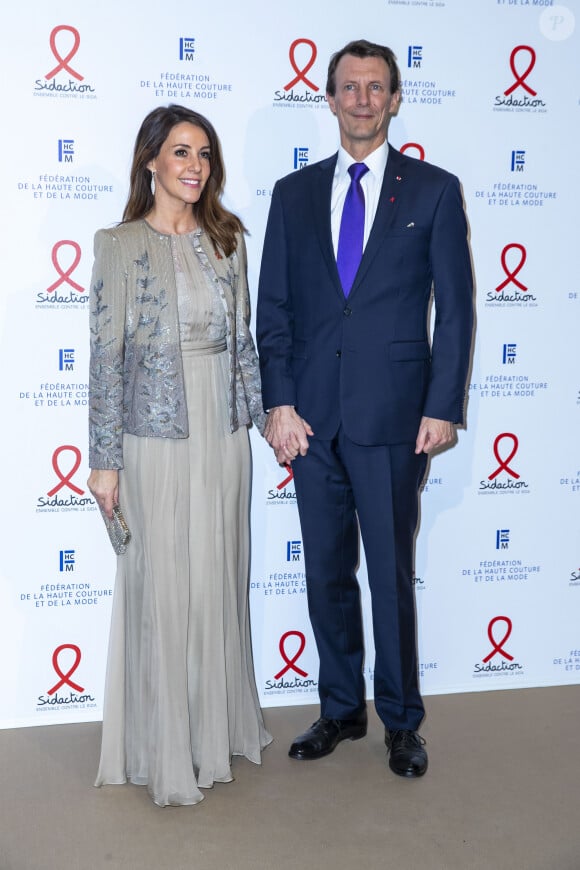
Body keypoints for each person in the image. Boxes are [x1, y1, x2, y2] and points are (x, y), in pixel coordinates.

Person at [257, 40, 473, 778]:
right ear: (328, 97)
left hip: (394, 420)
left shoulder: (435, 191)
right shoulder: (292, 195)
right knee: (325, 575)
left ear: (393, 98)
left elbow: (459, 309)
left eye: (374, 87)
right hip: (310, 423)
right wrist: (276, 404)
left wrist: (443, 405)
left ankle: (402, 722)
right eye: (348, 87)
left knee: (388, 576)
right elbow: (274, 312)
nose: (361, 99)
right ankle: (341, 709)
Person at [88, 104, 271, 807]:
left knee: (216, 576)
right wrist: (104, 460)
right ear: (150, 162)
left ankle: (211, 733)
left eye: (203, 154)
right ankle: (164, 745)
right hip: (153, 435)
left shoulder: (228, 239)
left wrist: (264, 421)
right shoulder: (119, 243)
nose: (194, 166)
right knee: (163, 585)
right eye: (180, 153)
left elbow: (245, 341)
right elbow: (107, 359)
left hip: (222, 434)